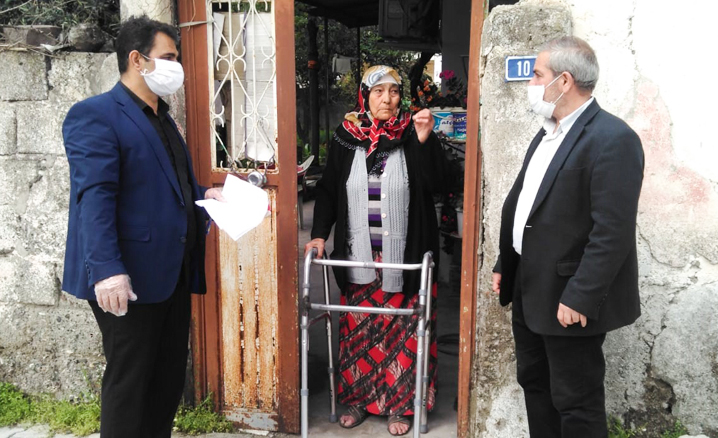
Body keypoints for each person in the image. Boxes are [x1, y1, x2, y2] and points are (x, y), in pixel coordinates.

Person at [61, 16, 223, 438]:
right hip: (127, 278)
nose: (176, 66)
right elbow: (94, 197)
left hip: (171, 274)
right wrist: (107, 270)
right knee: (130, 384)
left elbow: (165, 185)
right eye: (168, 57)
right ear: (137, 59)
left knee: (165, 381)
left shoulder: (162, 118)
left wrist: (206, 195)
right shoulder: (95, 115)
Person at [492, 36, 644, 437]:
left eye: (536, 75)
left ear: (563, 81)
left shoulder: (613, 138)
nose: (530, 84)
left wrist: (581, 295)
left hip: (568, 296)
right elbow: (527, 204)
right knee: (536, 384)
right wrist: (505, 261)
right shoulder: (547, 133)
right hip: (529, 285)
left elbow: (612, 232)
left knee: (576, 401)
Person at [304, 65, 450, 436]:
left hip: (405, 255)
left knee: (403, 330)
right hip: (360, 255)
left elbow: (438, 183)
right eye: (379, 91)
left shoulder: (413, 132)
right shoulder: (346, 137)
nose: (387, 99)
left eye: (394, 91)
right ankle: (359, 400)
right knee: (361, 330)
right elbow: (328, 190)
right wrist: (319, 235)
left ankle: (401, 405)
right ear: (365, 96)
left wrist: (424, 142)